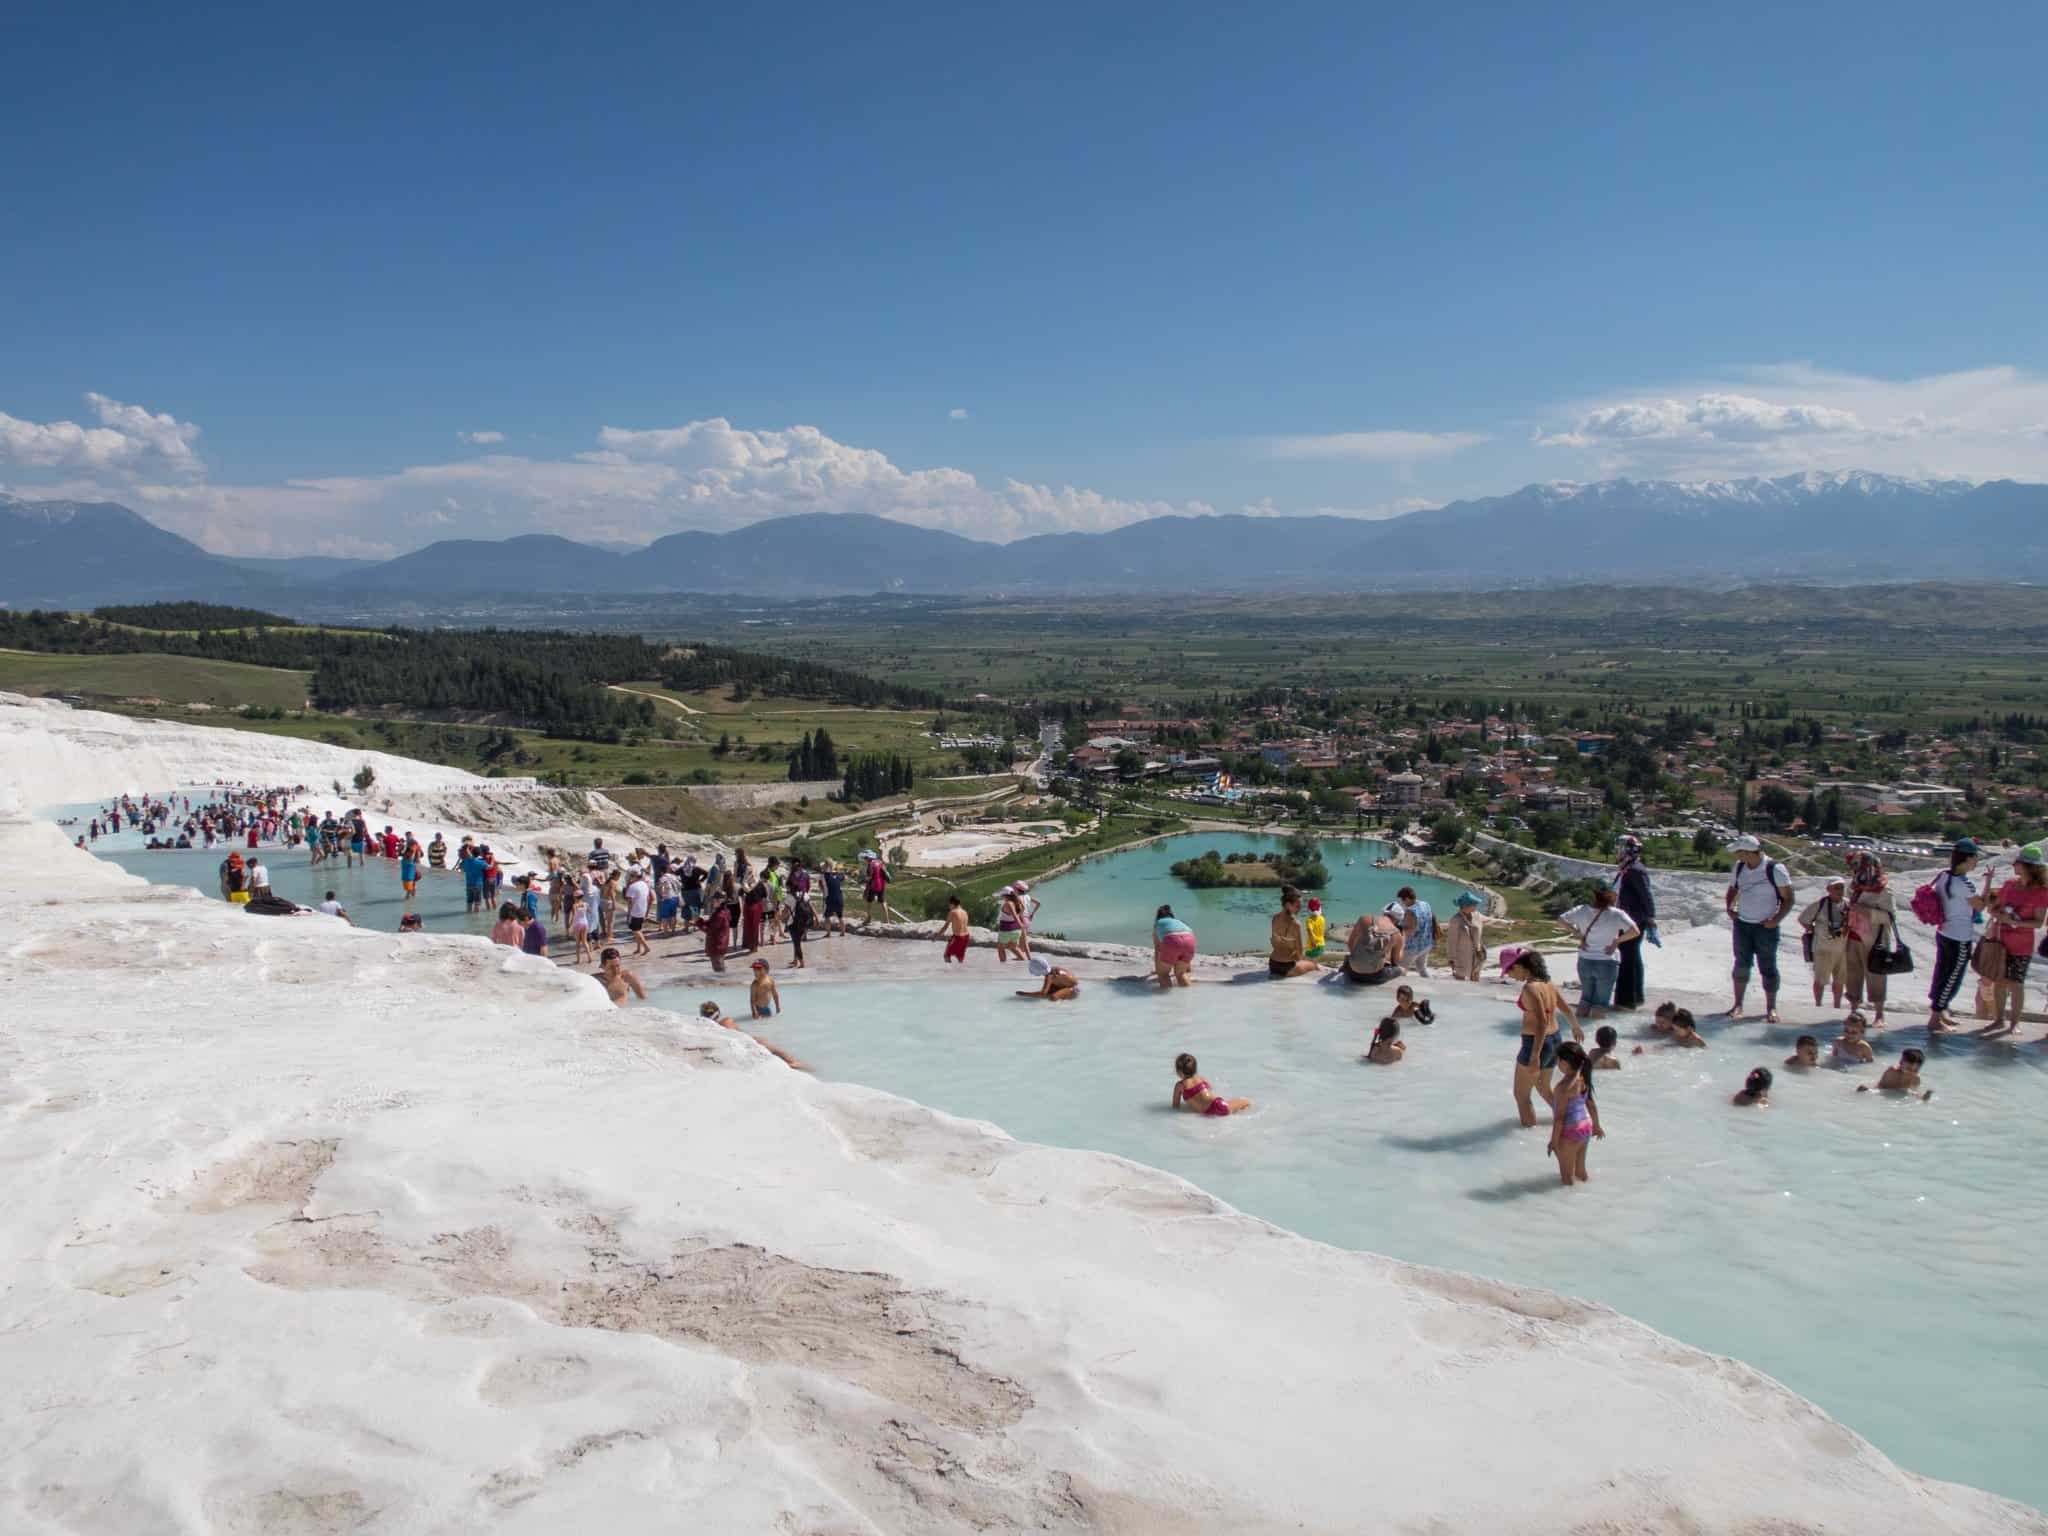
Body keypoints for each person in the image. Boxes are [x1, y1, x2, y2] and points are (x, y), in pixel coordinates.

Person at [1724, 835, 1793, 1021]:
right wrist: (1730, 907)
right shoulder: (1739, 868)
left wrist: (1777, 919)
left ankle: (1771, 1008)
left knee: (1768, 967)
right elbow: (1733, 889)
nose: (1737, 857)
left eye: (1739, 853)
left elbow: (1788, 898)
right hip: (1743, 923)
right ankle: (1738, 1005)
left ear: (1748, 852)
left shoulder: (1774, 869)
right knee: (1741, 964)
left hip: (1765, 926)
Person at [1926, 838, 1992, 1034]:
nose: (1977, 862)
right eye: (1975, 858)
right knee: (1952, 978)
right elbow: (1980, 905)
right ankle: (1935, 1018)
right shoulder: (1965, 884)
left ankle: (1940, 1011)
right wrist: (1988, 883)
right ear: (1967, 858)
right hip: (1960, 937)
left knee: (1941, 973)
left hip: (1944, 931)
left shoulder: (1943, 877)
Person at [1982, 843, 2048, 1038]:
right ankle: (1999, 1019)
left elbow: (2038, 923)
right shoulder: (2010, 885)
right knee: (2000, 982)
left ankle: (2014, 1024)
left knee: (2016, 984)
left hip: (2022, 945)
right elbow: (1994, 907)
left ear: (2028, 866)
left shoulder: (2042, 892)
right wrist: (1997, 913)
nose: (2013, 865)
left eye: (2017, 862)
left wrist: (2012, 920)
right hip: (2001, 940)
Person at [1507, 951, 1579, 1127]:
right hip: (1555, 1040)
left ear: (1522, 967)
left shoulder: (1530, 988)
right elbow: (1566, 1009)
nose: (1509, 975)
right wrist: (1575, 1026)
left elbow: (1541, 1022)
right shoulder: (1549, 984)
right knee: (1544, 1088)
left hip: (1536, 1043)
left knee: (1522, 1096)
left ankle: (1526, 1136)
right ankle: (1571, 1120)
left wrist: (1534, 1056)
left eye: (1510, 970)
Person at [1559, 885, 1640, 1020]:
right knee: (1600, 1004)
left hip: (1585, 960)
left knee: (1585, 1000)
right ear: (1612, 898)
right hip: (1607, 961)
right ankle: (1595, 1036)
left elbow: (1560, 920)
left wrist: (1578, 934)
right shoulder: (1617, 914)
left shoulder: (1581, 910)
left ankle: (1578, 1031)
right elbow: (1635, 931)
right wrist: (1616, 941)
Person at [1546, 1040, 1603, 1183]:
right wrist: (1596, 1126)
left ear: (1565, 1063)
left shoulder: (1563, 1088)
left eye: (1558, 1060)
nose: (1557, 1063)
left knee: (1566, 1177)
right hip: (1585, 1129)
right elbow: (1591, 1104)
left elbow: (1559, 1118)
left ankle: (1568, 1203)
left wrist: (1553, 1141)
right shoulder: (1583, 1079)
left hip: (1569, 1133)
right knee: (1580, 1172)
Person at [1611, 835, 1657, 1010]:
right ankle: (1635, 996)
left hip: (1633, 920)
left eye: (1620, 848)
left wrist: (1651, 918)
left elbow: (1646, 895)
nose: (1617, 852)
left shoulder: (1635, 870)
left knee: (1629, 957)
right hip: (1627, 919)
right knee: (1630, 955)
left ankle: (1627, 999)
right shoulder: (1628, 869)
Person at [697, 999, 809, 1070]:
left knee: (782, 1058)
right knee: (784, 1055)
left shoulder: (710, 1029)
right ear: (719, 1012)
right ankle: (808, 1068)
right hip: (753, 1041)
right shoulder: (727, 1020)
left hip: (750, 1044)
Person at [1798, 875, 1854, 1009]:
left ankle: (1837, 1006)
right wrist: (1816, 930)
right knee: (1820, 980)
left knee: (1840, 980)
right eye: (1836, 888)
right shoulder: (1820, 904)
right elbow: (1803, 919)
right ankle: (1818, 1005)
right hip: (1823, 948)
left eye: (1841, 888)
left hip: (1842, 949)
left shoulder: (1848, 905)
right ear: (1829, 889)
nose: (1840, 891)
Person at [1339, 908, 1404, 986]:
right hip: (1375, 978)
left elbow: (1350, 944)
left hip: (1352, 972)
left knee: (1349, 958)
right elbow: (1395, 962)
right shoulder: (1397, 934)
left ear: (1384, 913)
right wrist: (1403, 940)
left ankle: (1345, 967)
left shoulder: (1364, 919)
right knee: (1400, 969)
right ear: (1398, 920)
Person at [1172, 1052, 1250, 1117]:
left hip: (1206, 1114)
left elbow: (1175, 1106)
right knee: (1247, 1102)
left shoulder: (1180, 1086)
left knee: (1247, 1103)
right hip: (1220, 1106)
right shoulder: (1201, 1079)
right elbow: (1209, 1090)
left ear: (1179, 1072)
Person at [1268, 887, 1321, 978]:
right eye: (1297, 906)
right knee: (1314, 965)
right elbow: (1300, 954)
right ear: (1288, 905)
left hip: (1273, 964)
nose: (1300, 909)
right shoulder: (1296, 924)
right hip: (1288, 968)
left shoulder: (1274, 918)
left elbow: (1274, 944)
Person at [1386, 886, 1436, 976]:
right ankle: (1430, 983)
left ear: (1408, 898)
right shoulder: (1425, 904)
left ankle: (1399, 987)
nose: (1402, 903)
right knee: (1422, 968)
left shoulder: (1411, 911)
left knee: (1401, 969)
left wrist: (1397, 929)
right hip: (1426, 943)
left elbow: (1410, 930)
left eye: (1402, 900)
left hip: (1413, 947)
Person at [1444, 892, 1489, 981]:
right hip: (1462, 957)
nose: (1476, 906)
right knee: (1460, 980)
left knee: (1476, 978)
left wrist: (1511, 923)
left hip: (1477, 956)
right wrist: (1451, 959)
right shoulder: (1456, 920)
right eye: (1474, 904)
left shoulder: (1477, 915)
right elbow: (1451, 942)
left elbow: (1491, 921)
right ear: (1466, 906)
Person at [1860, 1048, 1933, 1100]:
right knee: (1864, 1089)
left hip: (1901, 1093)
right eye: (1909, 1069)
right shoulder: (1892, 1071)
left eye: (1916, 1070)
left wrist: (1920, 1096)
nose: (1911, 1072)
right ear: (1901, 1063)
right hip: (1886, 1090)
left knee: (1918, 1096)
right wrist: (1870, 1090)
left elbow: (1913, 1091)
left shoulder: (1916, 1078)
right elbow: (1881, 1085)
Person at [1152, 904, 1197, 988]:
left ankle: (1166, 1000)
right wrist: (1188, 968)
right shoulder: (1179, 922)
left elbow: (1157, 948)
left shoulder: (1158, 923)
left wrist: (1158, 970)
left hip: (1171, 940)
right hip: (1190, 939)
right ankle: (1187, 998)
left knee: (1163, 974)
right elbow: (1184, 942)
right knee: (1180, 973)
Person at [624, 867, 654, 957]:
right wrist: (647, 912)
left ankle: (646, 947)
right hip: (643, 909)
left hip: (635, 911)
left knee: (635, 930)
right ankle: (638, 948)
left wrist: (628, 914)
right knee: (639, 929)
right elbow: (649, 898)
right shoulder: (644, 884)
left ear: (633, 876)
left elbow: (629, 902)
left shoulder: (632, 887)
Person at [994, 885, 1028, 963]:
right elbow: (1022, 909)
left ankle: (1003, 965)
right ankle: (1023, 962)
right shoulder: (1017, 903)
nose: (1002, 897)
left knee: (1001, 948)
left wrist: (1021, 924)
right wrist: (1017, 898)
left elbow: (1014, 914)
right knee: (1013, 947)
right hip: (1016, 930)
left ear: (1005, 895)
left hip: (1006, 929)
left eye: (1002, 895)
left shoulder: (1008, 903)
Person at [788, 887, 814, 969]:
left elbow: (786, 910)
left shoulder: (789, 897)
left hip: (793, 922)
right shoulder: (805, 894)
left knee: (796, 943)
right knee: (796, 942)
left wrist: (780, 918)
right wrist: (816, 917)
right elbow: (811, 906)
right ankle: (795, 960)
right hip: (803, 921)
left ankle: (802, 963)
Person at [821, 859, 847, 937]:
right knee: (840, 916)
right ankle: (843, 933)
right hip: (839, 898)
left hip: (829, 899)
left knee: (827, 916)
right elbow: (844, 878)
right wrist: (837, 870)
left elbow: (821, 884)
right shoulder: (839, 875)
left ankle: (828, 933)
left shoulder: (823, 875)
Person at [861, 854, 890, 927]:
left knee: (869, 901)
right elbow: (884, 873)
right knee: (883, 901)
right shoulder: (880, 862)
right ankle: (887, 920)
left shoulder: (870, 864)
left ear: (869, 858)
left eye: (866, 858)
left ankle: (868, 918)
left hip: (873, 885)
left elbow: (870, 876)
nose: (865, 859)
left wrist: (863, 880)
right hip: (882, 884)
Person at [943, 896, 972, 964]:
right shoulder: (964, 912)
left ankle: (949, 974)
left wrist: (936, 936)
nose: (949, 906)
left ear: (952, 904)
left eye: (949, 904)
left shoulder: (952, 912)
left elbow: (945, 927)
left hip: (958, 937)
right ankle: (960, 973)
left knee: (946, 956)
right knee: (960, 957)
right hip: (966, 937)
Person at [459, 845, 487, 913]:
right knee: (477, 903)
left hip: (469, 885)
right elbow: (488, 867)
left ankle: (469, 915)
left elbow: (461, 868)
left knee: (469, 903)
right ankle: (476, 918)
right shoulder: (481, 862)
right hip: (478, 885)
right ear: (479, 854)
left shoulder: (466, 861)